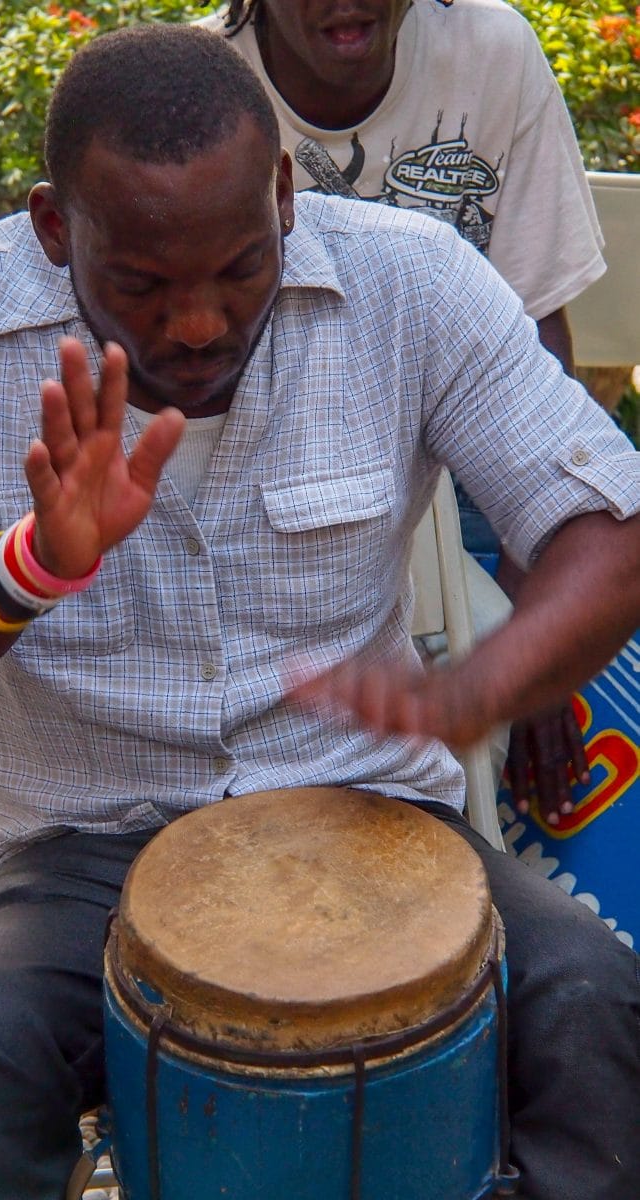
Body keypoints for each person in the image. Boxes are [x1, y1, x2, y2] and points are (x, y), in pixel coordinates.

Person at [0, 24, 640, 1200]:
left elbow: (611, 528)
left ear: (286, 194)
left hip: (373, 822)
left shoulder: (412, 283)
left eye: (241, 268)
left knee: (594, 1001)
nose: (197, 322)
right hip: (78, 854)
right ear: (53, 230)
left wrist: (486, 685)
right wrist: (30, 565)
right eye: (142, 284)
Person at [205, 0, 608, 821]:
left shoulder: (490, 51)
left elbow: (538, 340)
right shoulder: (200, 88)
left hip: (475, 463)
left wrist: (528, 648)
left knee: (539, 708)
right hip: (282, 473)